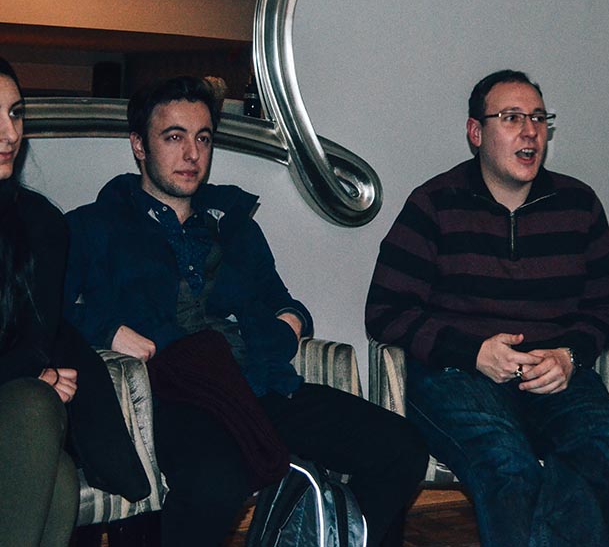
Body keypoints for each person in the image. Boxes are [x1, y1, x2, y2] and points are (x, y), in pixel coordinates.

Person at [63, 76, 427, 547]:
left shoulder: (233, 224)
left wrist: (291, 322)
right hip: (167, 395)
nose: (192, 154)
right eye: (174, 137)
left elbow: (283, 302)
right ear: (139, 145)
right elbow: (44, 315)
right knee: (216, 478)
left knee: (400, 446)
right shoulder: (93, 226)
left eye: (203, 138)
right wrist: (108, 329)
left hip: (256, 383)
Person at [366, 69, 609, 547]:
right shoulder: (434, 204)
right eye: (511, 118)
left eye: (539, 119)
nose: (530, 131)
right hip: (456, 373)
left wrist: (569, 355)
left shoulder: (579, 205)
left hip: (552, 371)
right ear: (476, 132)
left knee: (600, 438)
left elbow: (605, 308)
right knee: (507, 461)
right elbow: (386, 309)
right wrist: (473, 352)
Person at [1, 57, 153, 547]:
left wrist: (31, 376)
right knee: (41, 425)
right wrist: (28, 376)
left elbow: (35, 340)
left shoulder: (40, 223)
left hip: (12, 402)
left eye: (15, 113)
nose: (9, 133)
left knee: (51, 452)